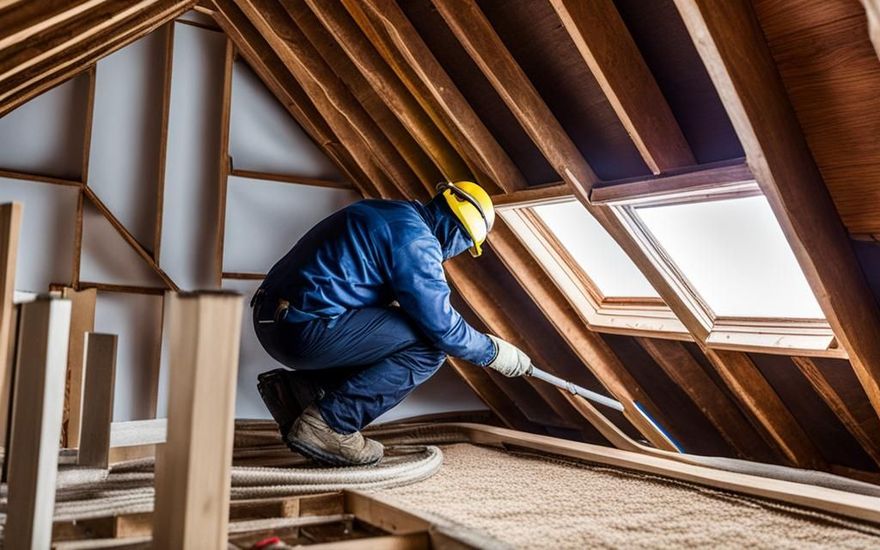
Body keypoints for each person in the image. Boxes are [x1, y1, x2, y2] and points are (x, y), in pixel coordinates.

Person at [251, 181, 532, 466]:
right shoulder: (417, 242)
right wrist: (494, 352)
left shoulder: (391, 211)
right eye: (467, 246)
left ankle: (300, 392)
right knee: (429, 349)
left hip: (273, 319)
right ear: (459, 232)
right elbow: (444, 329)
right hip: (304, 331)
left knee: (402, 325)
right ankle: (331, 424)